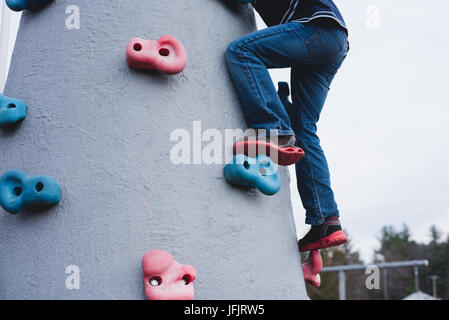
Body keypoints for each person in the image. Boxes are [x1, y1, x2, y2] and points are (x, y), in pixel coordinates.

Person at [225, 0, 349, 252]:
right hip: (333, 41)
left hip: (316, 29)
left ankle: (274, 132)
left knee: (242, 52)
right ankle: (326, 220)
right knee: (304, 130)